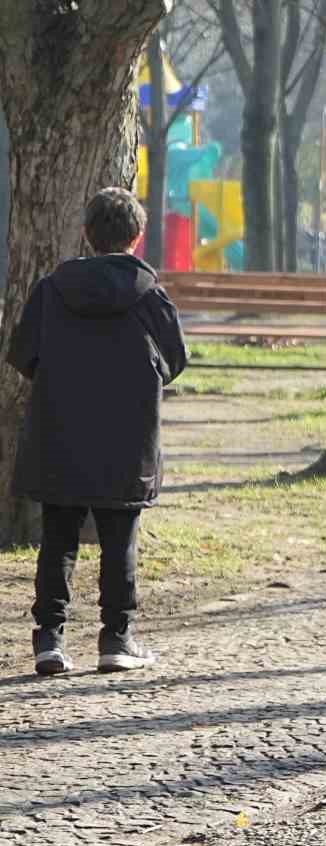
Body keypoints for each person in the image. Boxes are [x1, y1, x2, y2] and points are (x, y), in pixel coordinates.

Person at [7, 187, 188, 675]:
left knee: (58, 537)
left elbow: (23, 354)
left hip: (60, 428)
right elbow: (175, 359)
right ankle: (116, 637)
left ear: (86, 233)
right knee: (119, 537)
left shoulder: (52, 289)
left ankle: (49, 638)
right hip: (127, 436)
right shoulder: (150, 294)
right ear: (138, 236)